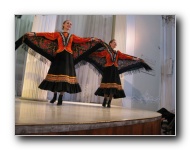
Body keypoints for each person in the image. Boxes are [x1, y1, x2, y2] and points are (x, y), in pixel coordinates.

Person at [19, 20, 99, 105]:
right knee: (56, 76)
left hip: (68, 58)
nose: (69, 25)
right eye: (68, 23)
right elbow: (46, 35)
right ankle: (55, 95)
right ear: (63, 24)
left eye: (70, 24)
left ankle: (61, 96)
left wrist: (92, 39)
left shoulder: (72, 36)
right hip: (59, 56)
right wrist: (34, 34)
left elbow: (82, 40)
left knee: (65, 77)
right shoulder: (57, 34)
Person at [87, 39, 151, 108]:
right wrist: (89, 53)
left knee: (113, 87)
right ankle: (105, 100)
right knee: (106, 86)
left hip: (114, 70)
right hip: (108, 70)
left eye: (116, 43)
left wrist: (135, 58)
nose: (115, 44)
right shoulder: (106, 51)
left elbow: (125, 56)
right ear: (110, 43)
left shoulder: (117, 53)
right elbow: (98, 54)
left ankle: (109, 102)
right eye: (114, 43)